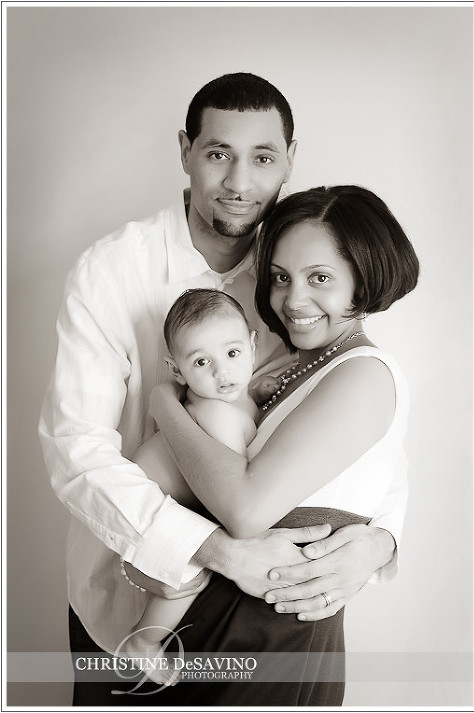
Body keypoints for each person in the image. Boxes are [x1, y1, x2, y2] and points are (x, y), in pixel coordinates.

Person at [38, 73, 404, 705]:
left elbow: (355, 414)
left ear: (290, 158)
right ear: (186, 152)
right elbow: (77, 450)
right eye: (217, 154)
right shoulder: (113, 271)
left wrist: (382, 540)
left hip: (266, 613)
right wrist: (215, 548)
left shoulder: (298, 270)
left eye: (263, 158)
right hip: (125, 600)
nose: (239, 182)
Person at [144, 184, 419, 705]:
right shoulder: (294, 366)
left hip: (270, 637)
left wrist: (164, 404)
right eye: (280, 278)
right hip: (218, 626)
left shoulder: (364, 375)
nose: (293, 300)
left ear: (366, 276)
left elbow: (245, 511)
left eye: (320, 278)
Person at [123, 288, 258, 680]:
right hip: (147, 511)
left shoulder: (239, 398)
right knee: (188, 574)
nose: (221, 372)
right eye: (202, 362)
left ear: (252, 344)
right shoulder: (215, 414)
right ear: (178, 371)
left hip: (175, 503)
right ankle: (143, 642)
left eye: (232, 354)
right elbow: (235, 489)